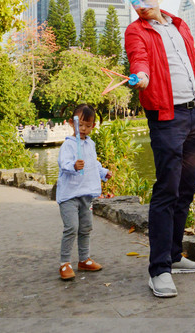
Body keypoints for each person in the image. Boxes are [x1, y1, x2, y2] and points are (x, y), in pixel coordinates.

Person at [124, 0, 195, 298]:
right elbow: (140, 60)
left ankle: (175, 256)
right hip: (166, 119)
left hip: (193, 115)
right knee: (166, 190)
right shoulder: (136, 32)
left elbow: (194, 67)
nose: (141, 4)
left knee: (186, 188)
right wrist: (141, 77)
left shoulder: (180, 25)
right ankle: (159, 269)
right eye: (134, 2)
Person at [56, 103, 112, 281]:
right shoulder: (69, 145)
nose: (84, 129)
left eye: (88, 126)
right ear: (72, 124)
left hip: (85, 194)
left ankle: (84, 259)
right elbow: (63, 164)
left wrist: (103, 173)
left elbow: (93, 163)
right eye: (80, 125)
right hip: (69, 195)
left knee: (86, 227)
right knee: (71, 227)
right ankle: (65, 262)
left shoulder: (90, 144)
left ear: (93, 126)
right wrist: (73, 166)